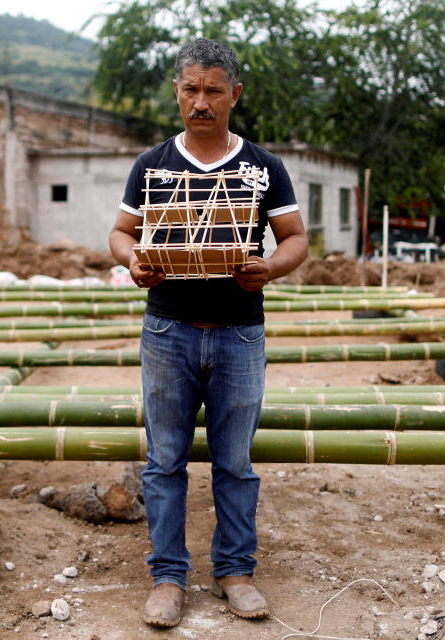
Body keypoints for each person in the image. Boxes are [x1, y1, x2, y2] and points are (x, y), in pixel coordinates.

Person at [109, 38, 308, 628]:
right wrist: (132, 260)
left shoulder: (262, 167)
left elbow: (295, 238)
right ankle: (167, 578)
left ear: (234, 95)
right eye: (190, 89)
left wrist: (270, 267)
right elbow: (121, 232)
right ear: (177, 92)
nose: (201, 101)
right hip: (166, 330)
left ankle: (235, 572)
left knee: (235, 463)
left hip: (239, 334)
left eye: (213, 90)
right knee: (164, 461)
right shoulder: (152, 165)